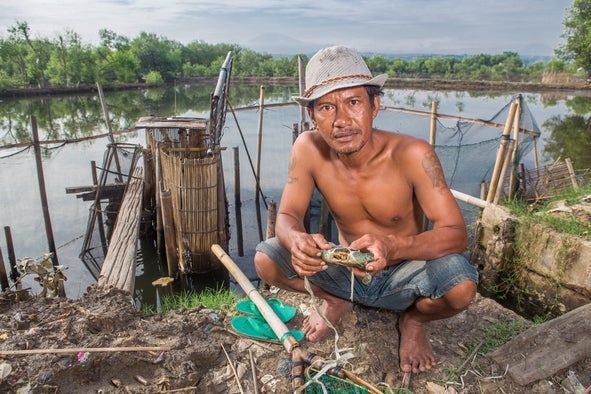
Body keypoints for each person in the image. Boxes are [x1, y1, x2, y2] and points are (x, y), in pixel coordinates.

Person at [253, 45, 478, 374]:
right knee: (266, 258)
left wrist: (393, 245)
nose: (342, 120)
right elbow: (286, 218)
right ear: (312, 116)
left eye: (354, 102)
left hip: (404, 274)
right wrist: (296, 240)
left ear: (375, 105)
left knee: (461, 285)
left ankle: (414, 320)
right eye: (327, 107)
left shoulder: (414, 154)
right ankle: (337, 300)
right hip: (349, 270)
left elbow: (457, 235)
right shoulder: (308, 148)